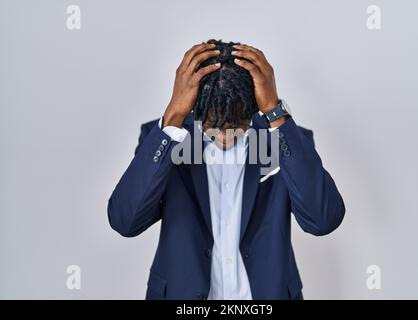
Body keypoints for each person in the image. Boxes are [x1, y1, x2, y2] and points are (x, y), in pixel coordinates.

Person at [107, 39, 345, 300]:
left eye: (236, 123)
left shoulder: (287, 140)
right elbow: (125, 221)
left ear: (253, 105)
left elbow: (323, 220)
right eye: (213, 124)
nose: (224, 134)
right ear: (195, 107)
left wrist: (275, 113)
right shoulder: (166, 139)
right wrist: (173, 117)